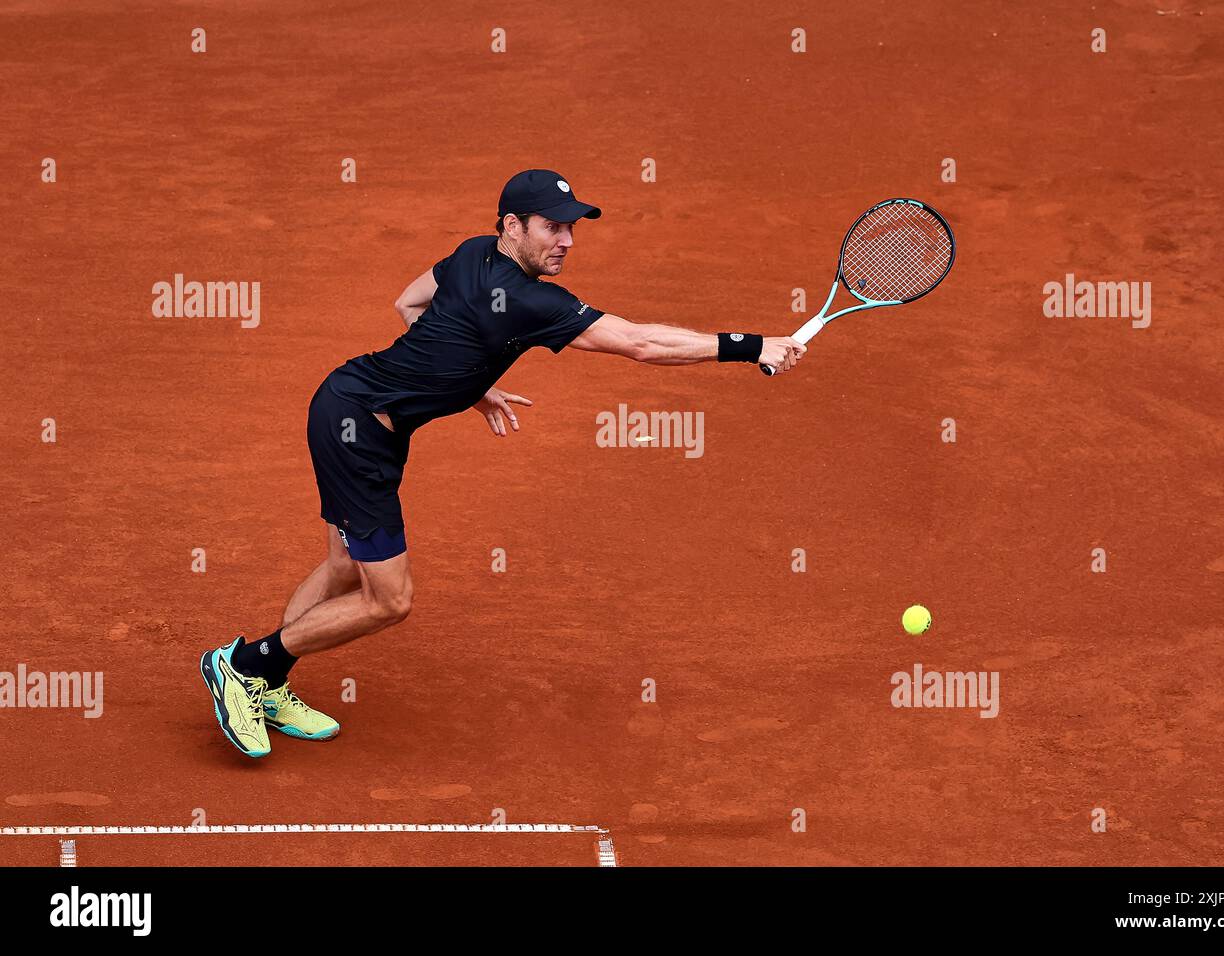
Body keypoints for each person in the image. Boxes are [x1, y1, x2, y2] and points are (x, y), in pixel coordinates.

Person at [200, 169, 807, 758]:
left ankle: (266, 685)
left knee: (340, 568)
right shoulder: (530, 302)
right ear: (513, 226)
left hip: (350, 408)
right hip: (356, 434)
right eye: (552, 227)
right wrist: (754, 348)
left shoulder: (471, 253)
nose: (567, 240)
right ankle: (245, 666)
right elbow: (641, 344)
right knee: (389, 599)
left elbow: (409, 303)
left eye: (572, 228)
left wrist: (466, 380)